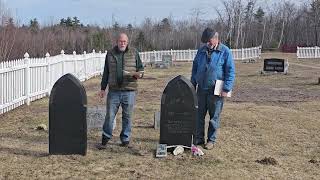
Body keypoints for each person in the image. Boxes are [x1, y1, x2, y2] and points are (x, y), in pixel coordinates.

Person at [191, 28, 235, 150]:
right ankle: (199, 138)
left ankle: (211, 140)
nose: (208, 44)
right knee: (199, 116)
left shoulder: (225, 51)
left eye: (210, 41)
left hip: (216, 90)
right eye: (206, 42)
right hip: (201, 89)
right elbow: (195, 68)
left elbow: (230, 71)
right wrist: (192, 85)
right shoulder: (201, 51)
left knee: (214, 117)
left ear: (216, 39)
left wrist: (226, 88)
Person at [98, 33, 144, 149]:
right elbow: (106, 72)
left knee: (127, 116)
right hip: (114, 91)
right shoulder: (110, 54)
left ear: (127, 42)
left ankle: (125, 138)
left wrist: (138, 75)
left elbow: (141, 69)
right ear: (117, 42)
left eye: (124, 41)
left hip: (129, 90)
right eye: (120, 41)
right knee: (110, 115)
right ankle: (105, 137)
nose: (122, 43)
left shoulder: (134, 53)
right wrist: (103, 88)